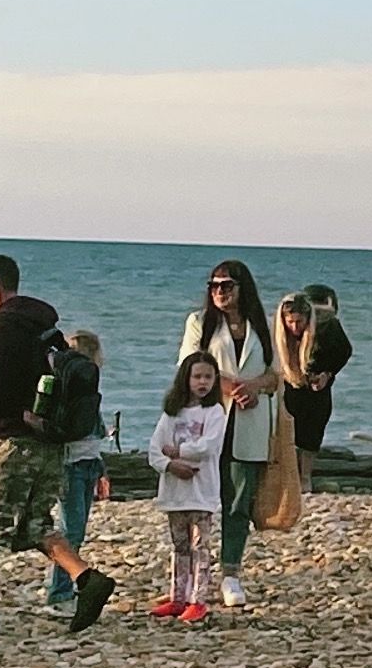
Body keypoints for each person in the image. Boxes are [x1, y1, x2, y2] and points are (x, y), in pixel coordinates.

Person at [0, 253, 115, 638]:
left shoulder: (0, 332)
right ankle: (86, 578)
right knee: (35, 523)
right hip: (49, 442)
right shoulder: (45, 329)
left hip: (12, 442)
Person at [178, 261, 277, 610]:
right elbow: (188, 366)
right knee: (197, 501)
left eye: (227, 285)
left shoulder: (260, 327)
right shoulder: (199, 323)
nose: (220, 291)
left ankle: (231, 573)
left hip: (249, 422)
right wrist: (228, 387)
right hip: (207, 420)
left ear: (242, 288)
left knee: (239, 499)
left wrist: (254, 387)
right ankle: (192, 575)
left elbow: (275, 374)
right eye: (214, 285)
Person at [148, 353, 231, 624]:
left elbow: (209, 446)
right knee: (179, 546)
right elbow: (155, 450)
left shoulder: (215, 411)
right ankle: (177, 596)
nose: (202, 382)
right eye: (197, 376)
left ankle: (199, 599)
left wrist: (180, 451)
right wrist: (171, 466)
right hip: (175, 493)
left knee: (200, 546)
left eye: (208, 377)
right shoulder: (172, 412)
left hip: (201, 493)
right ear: (186, 378)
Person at [44, 327, 111, 615]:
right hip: (71, 467)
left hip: (87, 464)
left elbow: (94, 439)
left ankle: (65, 588)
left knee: (77, 530)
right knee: (71, 531)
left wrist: (101, 471)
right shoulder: (71, 396)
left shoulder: (88, 396)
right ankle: (59, 593)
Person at [273, 288, 353, 483]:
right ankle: (289, 475)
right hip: (289, 380)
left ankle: (306, 476)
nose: (294, 327)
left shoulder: (328, 327)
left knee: (313, 428)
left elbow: (344, 352)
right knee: (287, 428)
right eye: (290, 322)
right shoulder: (277, 331)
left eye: (299, 321)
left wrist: (328, 374)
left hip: (317, 380)